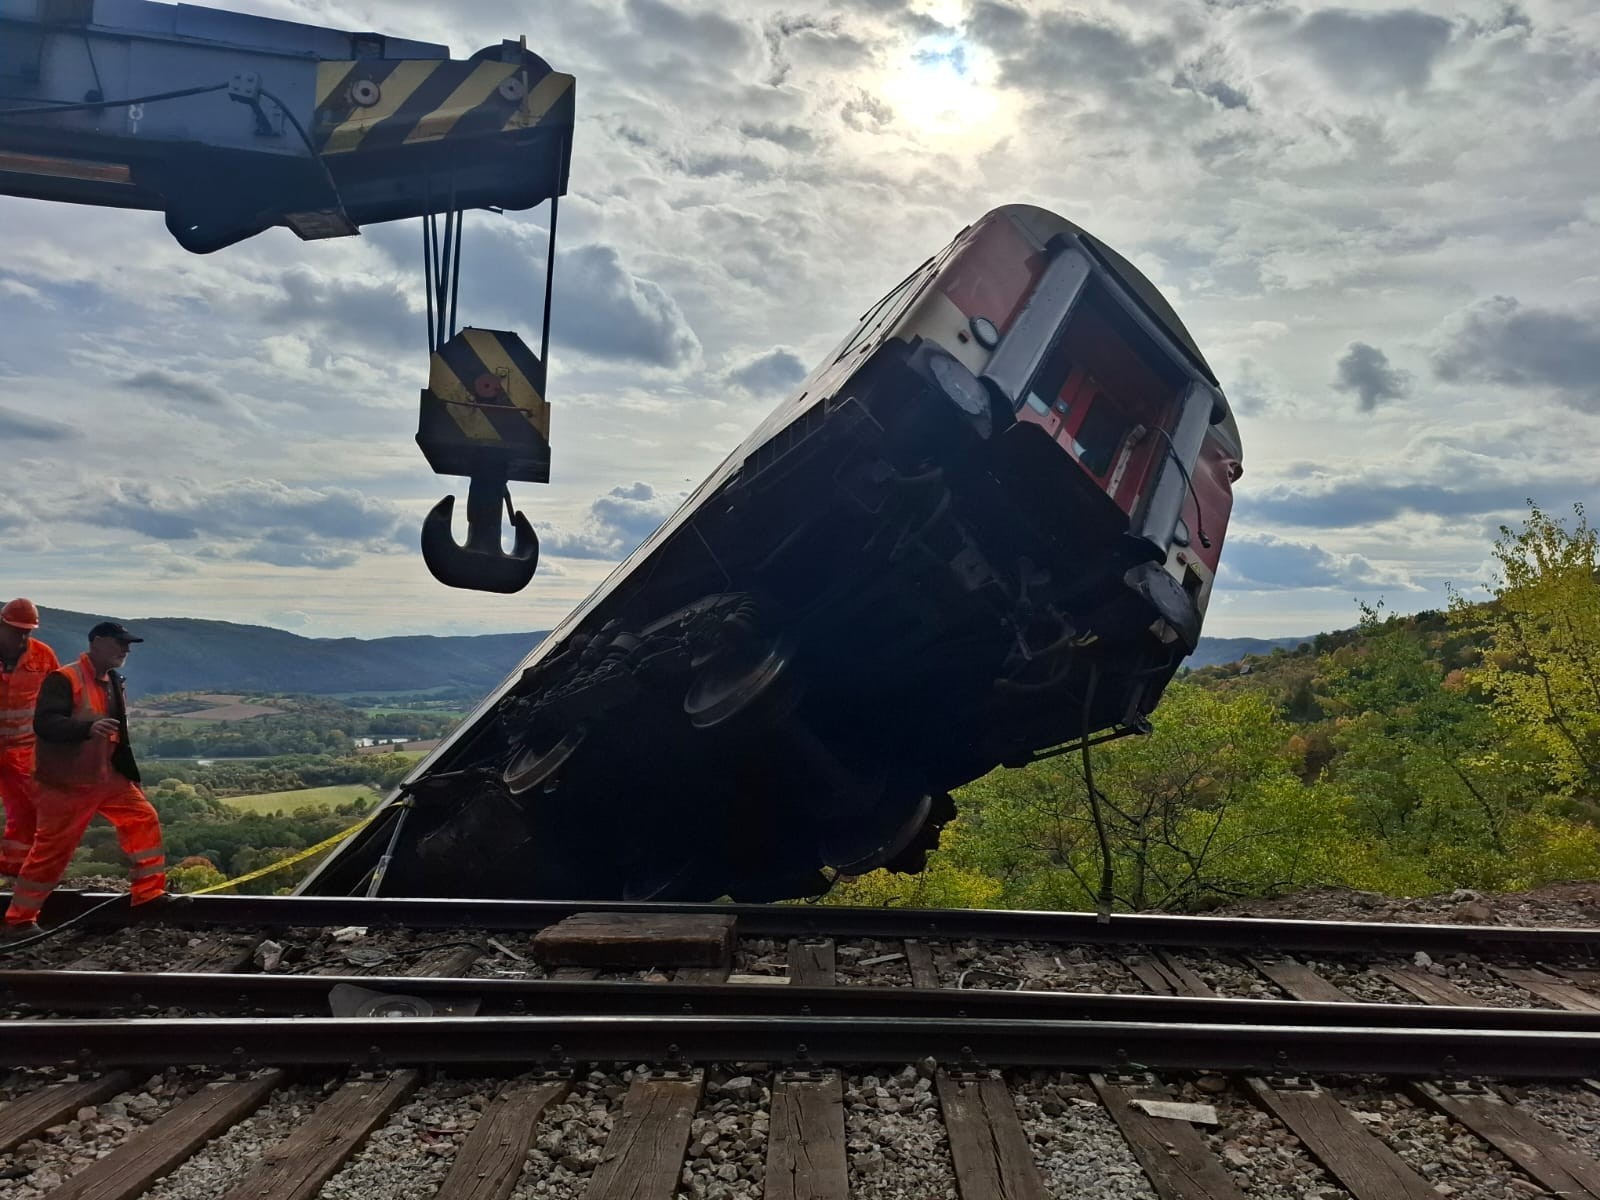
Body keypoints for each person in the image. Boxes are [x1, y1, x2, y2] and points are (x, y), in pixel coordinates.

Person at [3, 621, 165, 933]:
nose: (126, 650)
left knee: (144, 820)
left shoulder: (113, 680)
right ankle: (19, 920)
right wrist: (86, 728)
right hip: (66, 784)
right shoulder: (63, 678)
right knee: (51, 853)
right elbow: (46, 724)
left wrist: (129, 775)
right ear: (98, 642)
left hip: (108, 778)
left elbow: (121, 734)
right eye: (120, 643)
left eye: (128, 644)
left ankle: (149, 894)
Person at [0, 599, 59, 881]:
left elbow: (59, 698)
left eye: (28, 630)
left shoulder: (43, 656)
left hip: (22, 749)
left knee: (28, 811)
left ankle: (13, 871)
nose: (23, 636)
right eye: (16, 630)